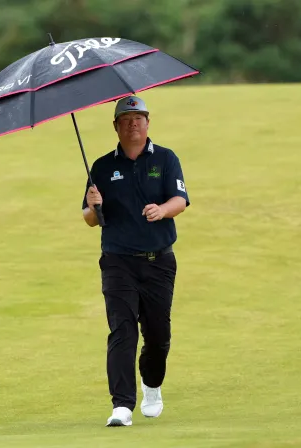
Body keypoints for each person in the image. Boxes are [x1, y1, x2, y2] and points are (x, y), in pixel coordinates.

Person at [82, 95, 190, 427]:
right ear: (116, 126)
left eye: (138, 118)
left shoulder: (166, 158)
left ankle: (152, 385)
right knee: (122, 330)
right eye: (126, 120)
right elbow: (90, 219)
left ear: (147, 123)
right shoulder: (101, 167)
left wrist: (162, 210)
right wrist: (92, 204)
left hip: (159, 260)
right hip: (118, 261)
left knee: (157, 335)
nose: (133, 124)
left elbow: (180, 200)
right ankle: (122, 406)